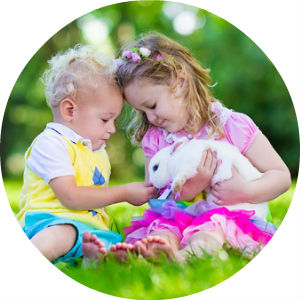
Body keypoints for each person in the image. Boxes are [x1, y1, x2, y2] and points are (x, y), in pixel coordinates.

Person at [113, 33, 291, 262]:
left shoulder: (231, 125)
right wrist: (190, 188)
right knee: (162, 230)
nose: (151, 118)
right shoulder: (156, 137)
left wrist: (247, 191)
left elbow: (281, 176)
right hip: (179, 215)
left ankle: (187, 257)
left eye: (152, 106)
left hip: (227, 215)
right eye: (142, 112)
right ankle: (154, 252)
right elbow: (155, 194)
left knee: (210, 230)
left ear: (180, 82)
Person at [16, 45, 155, 264]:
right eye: (105, 119)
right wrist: (125, 192)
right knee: (62, 235)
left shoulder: (96, 150)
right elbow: (71, 197)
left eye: (114, 121)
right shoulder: (51, 143)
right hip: (49, 223)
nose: (112, 129)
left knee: (117, 248)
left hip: (90, 231)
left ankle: (95, 258)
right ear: (69, 110)